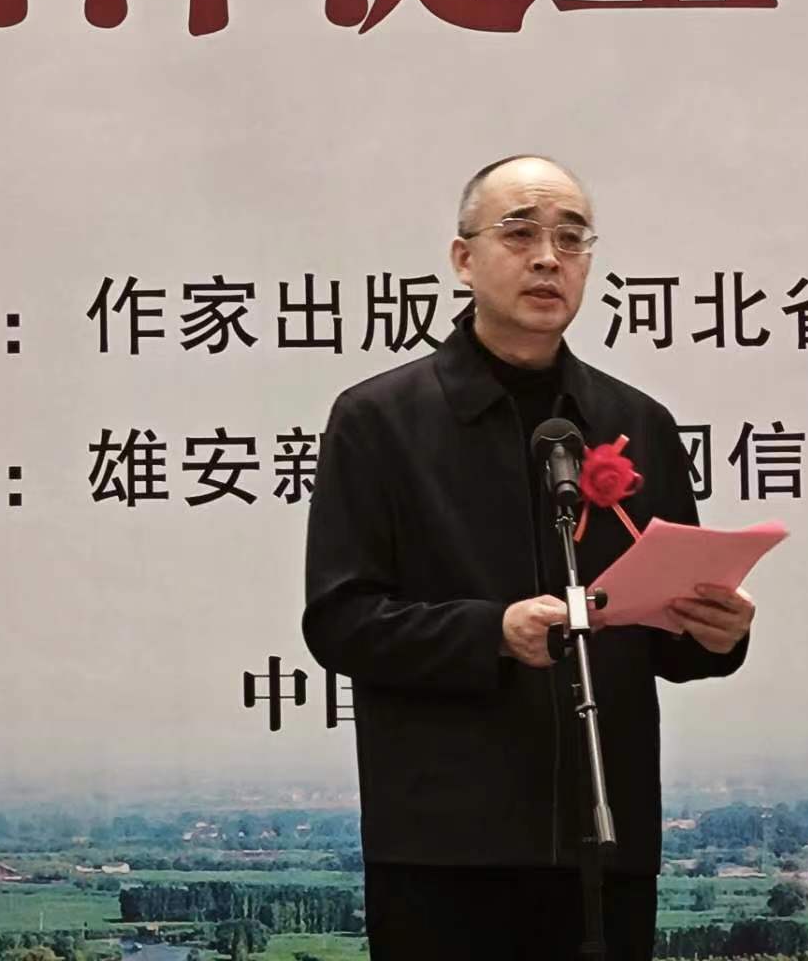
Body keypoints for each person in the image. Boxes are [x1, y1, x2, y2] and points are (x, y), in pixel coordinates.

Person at [302, 154, 757, 960]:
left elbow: (669, 644)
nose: (549, 257)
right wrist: (493, 632)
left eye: (571, 238)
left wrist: (716, 633)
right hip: (444, 846)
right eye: (520, 233)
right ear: (463, 258)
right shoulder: (380, 421)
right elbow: (342, 621)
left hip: (606, 837)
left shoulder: (637, 423)